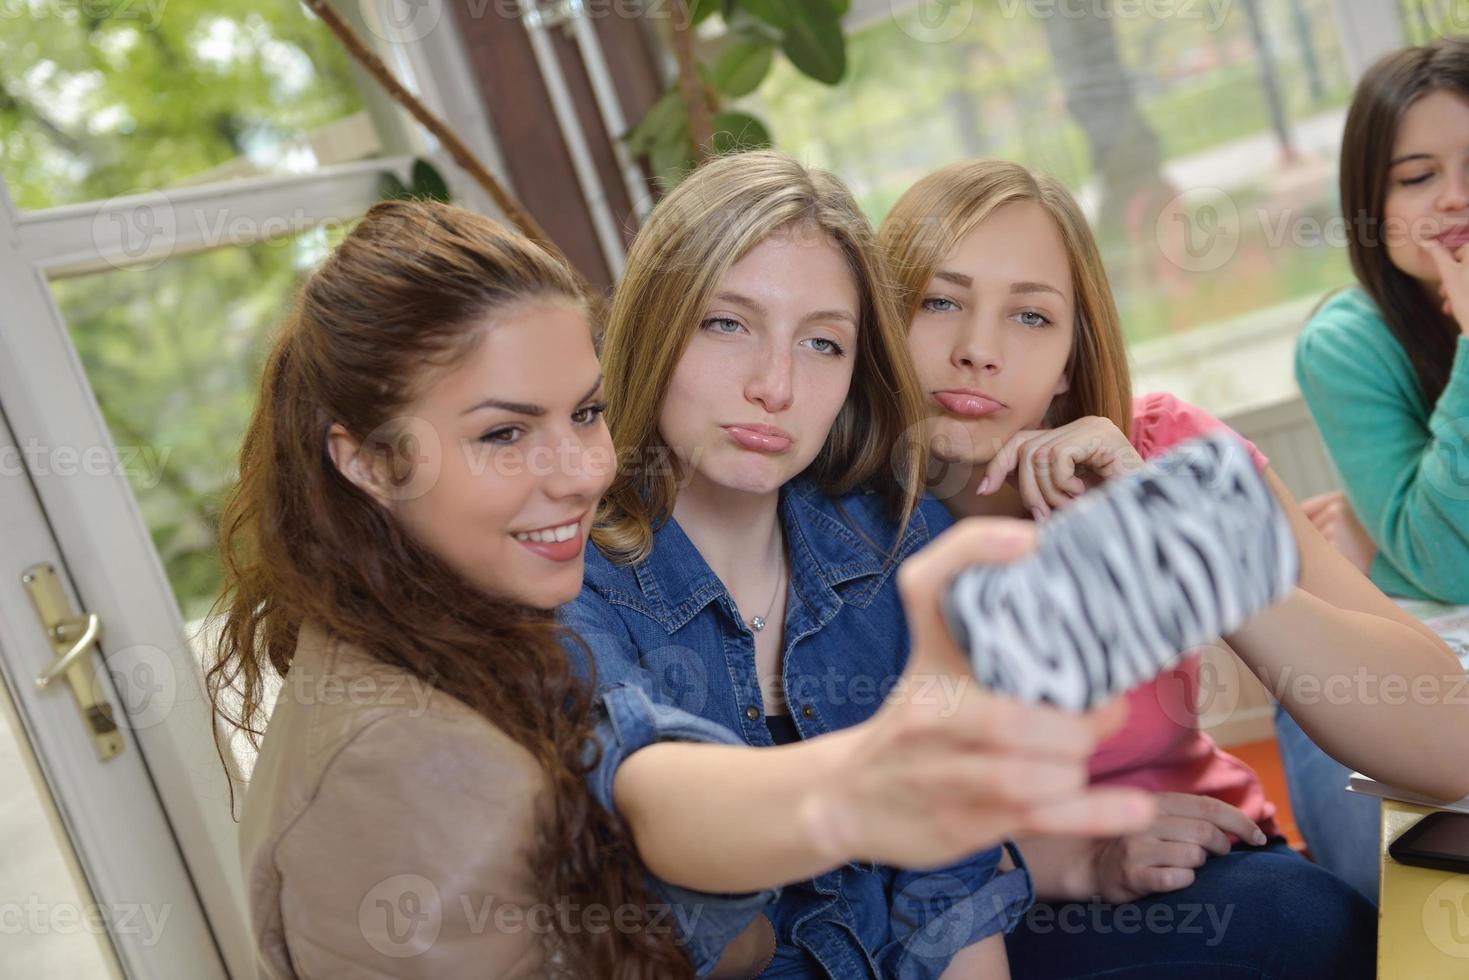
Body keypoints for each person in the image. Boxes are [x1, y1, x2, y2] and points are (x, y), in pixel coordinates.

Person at [211, 198, 1151, 979]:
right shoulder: (450, 705)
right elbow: (649, 786)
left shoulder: (505, 579)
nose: (579, 472)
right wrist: (857, 790)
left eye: (584, 415)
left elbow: (952, 900)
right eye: (502, 433)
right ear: (365, 460)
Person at [878, 157, 1469, 976]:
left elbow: (1450, 738)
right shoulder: (827, 519)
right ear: (880, 321)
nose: (978, 350)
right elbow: (833, 820)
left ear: (1068, 358)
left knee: (1309, 924)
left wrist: (1176, 537)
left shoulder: (1159, 448)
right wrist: (1066, 852)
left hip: (1213, 876)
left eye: (1031, 317)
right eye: (939, 302)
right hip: (967, 911)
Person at [567, 149, 1151, 978]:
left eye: (822, 344)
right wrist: (862, 790)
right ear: (656, 326)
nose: (775, 385)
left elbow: (951, 901)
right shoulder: (570, 573)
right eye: (726, 323)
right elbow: (648, 816)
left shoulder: (895, 540)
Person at [1281, 37, 1469, 904]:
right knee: (1401, 882)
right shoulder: (1345, 343)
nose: (1453, 199)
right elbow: (1441, 559)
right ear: (1370, 200)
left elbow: (1416, 544)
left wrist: (1380, 542)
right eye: (1415, 175)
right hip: (1423, 640)